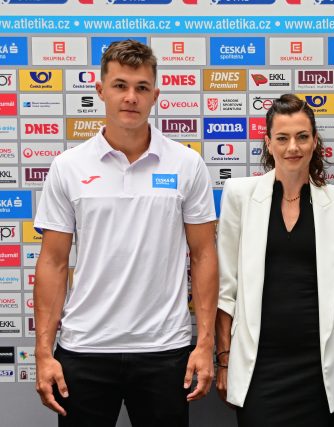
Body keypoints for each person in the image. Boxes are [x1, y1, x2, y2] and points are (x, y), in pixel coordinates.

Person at [33, 39, 218, 427]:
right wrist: (43, 353)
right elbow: (52, 261)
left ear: (156, 96)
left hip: (165, 350)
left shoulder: (187, 164)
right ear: (100, 90)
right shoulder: (68, 166)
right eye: (120, 85)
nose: (130, 97)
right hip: (85, 349)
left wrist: (204, 343)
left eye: (141, 87)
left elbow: (203, 255)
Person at [215, 94, 334, 426]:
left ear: (315, 140)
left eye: (302, 136)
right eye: (283, 137)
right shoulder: (239, 195)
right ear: (268, 142)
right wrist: (223, 361)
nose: (293, 146)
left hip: (318, 368)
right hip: (259, 366)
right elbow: (226, 290)